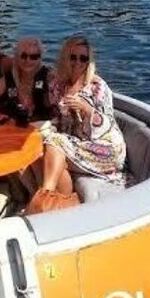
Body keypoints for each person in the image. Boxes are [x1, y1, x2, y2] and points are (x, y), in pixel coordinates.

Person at [34, 36, 127, 197]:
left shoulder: (97, 87)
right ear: (65, 58)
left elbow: (109, 124)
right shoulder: (59, 86)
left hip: (106, 148)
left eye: (83, 58)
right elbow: (59, 119)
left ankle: (44, 197)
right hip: (77, 143)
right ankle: (62, 201)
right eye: (73, 57)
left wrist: (87, 109)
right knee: (39, 148)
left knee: (55, 142)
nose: (78, 62)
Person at [0, 37, 52, 122]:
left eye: (34, 57)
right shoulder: (9, 78)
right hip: (14, 129)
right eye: (23, 56)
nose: (28, 60)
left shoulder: (48, 78)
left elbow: (60, 108)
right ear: (17, 57)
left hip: (43, 130)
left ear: (40, 59)